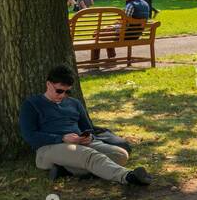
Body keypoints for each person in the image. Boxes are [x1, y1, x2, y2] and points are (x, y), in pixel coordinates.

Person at [19, 64, 152, 185]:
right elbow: (29, 135)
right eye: (59, 91)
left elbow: (87, 128)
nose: (63, 95)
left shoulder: (74, 103)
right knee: (89, 155)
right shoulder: (32, 104)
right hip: (49, 149)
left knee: (120, 154)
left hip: (80, 143)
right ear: (48, 84)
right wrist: (62, 138)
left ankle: (66, 170)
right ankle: (128, 176)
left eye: (67, 91)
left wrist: (89, 137)